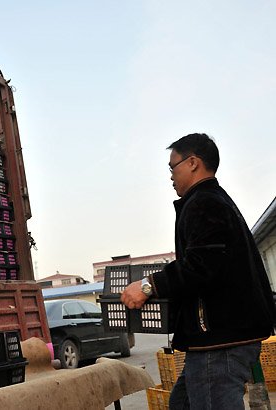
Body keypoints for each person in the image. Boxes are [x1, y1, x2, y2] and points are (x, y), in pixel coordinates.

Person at [120, 133, 275, 410]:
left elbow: (202, 266)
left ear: (193, 163)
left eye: (172, 167)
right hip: (218, 340)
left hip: (219, 342)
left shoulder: (204, 202)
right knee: (182, 403)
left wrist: (147, 285)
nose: (170, 176)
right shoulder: (212, 200)